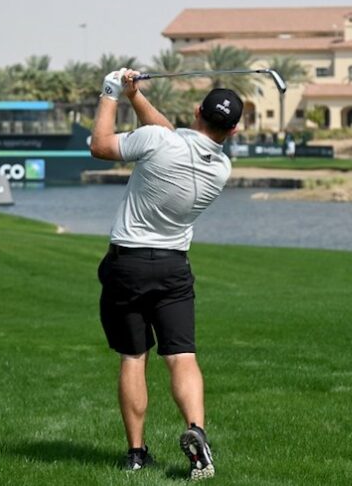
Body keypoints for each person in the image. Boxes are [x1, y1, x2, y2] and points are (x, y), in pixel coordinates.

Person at [89, 68, 243, 480]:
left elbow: (101, 146)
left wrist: (110, 93)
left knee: (134, 357)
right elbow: (170, 135)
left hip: (128, 265)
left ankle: (137, 454)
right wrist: (136, 97)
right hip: (174, 268)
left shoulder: (158, 142)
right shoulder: (221, 170)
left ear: (197, 112)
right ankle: (196, 430)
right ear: (231, 131)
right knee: (182, 356)